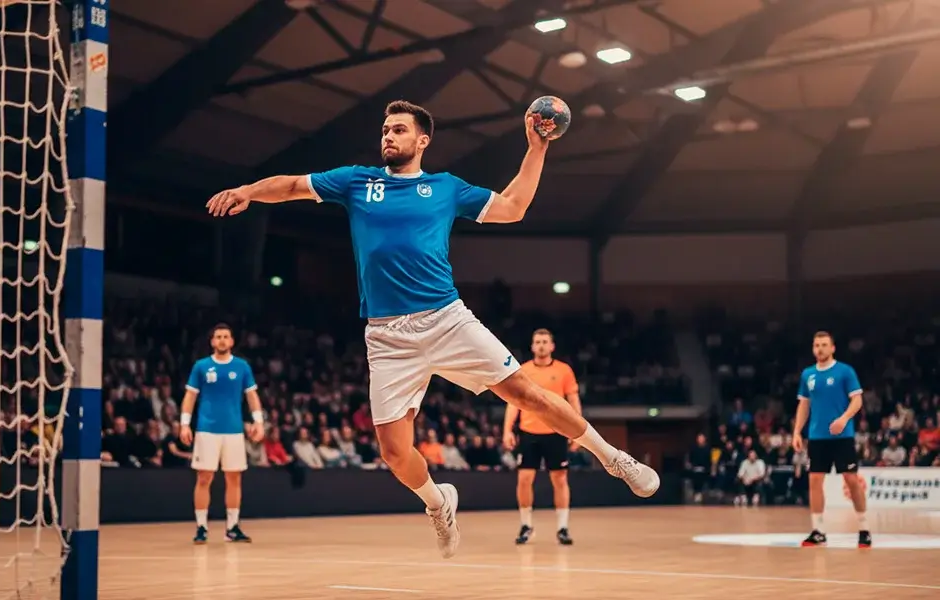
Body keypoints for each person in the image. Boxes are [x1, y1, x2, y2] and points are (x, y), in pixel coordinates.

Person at [204, 99, 659, 559]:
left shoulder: (445, 188)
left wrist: (536, 147)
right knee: (394, 452)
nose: (388, 135)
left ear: (422, 141)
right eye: (385, 129)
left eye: (399, 130)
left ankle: (612, 458)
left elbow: (514, 207)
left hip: (446, 319)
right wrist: (249, 190)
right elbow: (291, 186)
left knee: (527, 394)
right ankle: (439, 503)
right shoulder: (356, 181)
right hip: (385, 336)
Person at [179, 323, 265, 544]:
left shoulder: (242, 367)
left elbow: (252, 395)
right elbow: (190, 397)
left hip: (234, 430)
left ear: (232, 341)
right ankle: (201, 527)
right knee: (204, 477)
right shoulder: (201, 367)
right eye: (218, 337)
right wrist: (184, 424)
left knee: (234, 477)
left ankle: (233, 527)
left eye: (226, 336)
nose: (222, 340)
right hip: (207, 429)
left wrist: (258, 421)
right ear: (212, 341)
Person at [792, 331, 869, 548]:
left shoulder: (845, 371)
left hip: (842, 437)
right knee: (814, 481)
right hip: (817, 438)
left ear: (833, 348)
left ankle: (864, 528)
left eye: (824, 345)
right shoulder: (808, 374)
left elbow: (857, 400)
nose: (820, 349)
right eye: (817, 345)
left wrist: (844, 419)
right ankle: (818, 531)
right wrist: (797, 431)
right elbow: (804, 405)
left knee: (851, 480)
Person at [503, 328, 580, 546]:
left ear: (552, 346)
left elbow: (573, 401)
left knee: (560, 479)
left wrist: (578, 430)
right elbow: (512, 401)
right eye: (538, 342)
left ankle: (563, 528)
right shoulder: (523, 370)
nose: (542, 345)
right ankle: (526, 525)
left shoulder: (564, 371)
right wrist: (508, 430)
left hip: (557, 432)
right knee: (524, 479)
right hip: (529, 433)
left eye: (545, 341)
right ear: (532, 346)